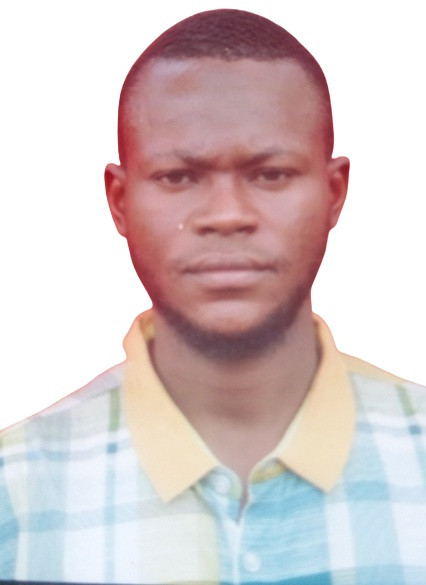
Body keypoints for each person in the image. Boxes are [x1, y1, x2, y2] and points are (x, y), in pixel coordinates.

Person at [1, 8, 425, 584]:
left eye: (271, 173)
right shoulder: (15, 497)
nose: (227, 215)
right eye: (179, 176)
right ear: (120, 202)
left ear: (334, 193)